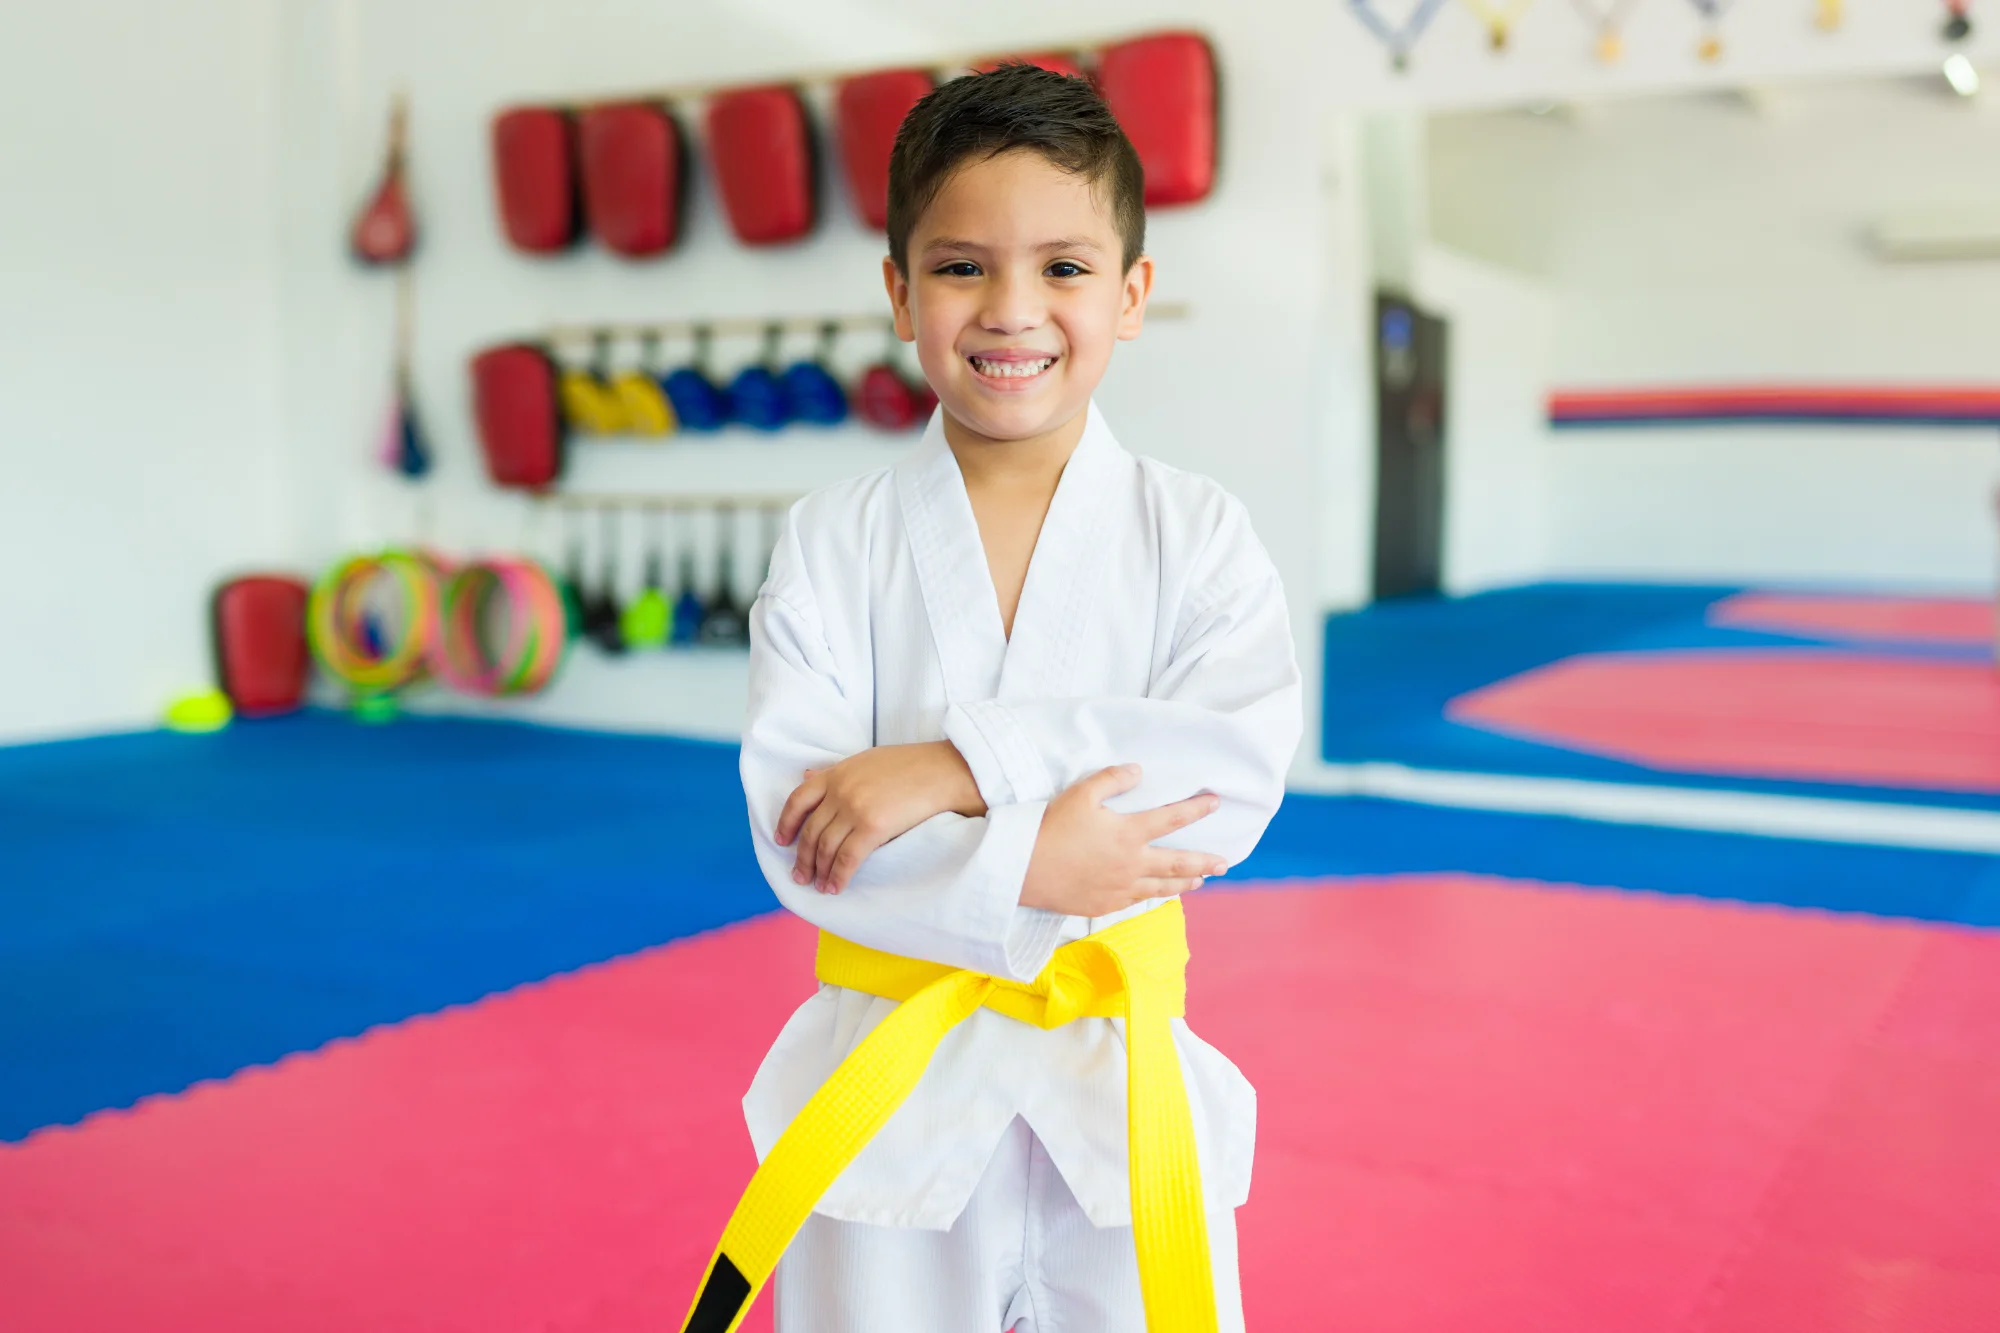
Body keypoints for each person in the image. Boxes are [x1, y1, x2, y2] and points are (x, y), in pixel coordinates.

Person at [683, 64, 1303, 1333]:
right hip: (890, 1088)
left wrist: (954, 768)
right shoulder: (833, 539)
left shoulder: (1194, 531)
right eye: (962, 266)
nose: (1012, 309)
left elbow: (1223, 774)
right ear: (900, 291)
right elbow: (797, 829)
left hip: (1112, 1092)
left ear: (1132, 294)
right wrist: (1038, 856)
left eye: (1064, 268)